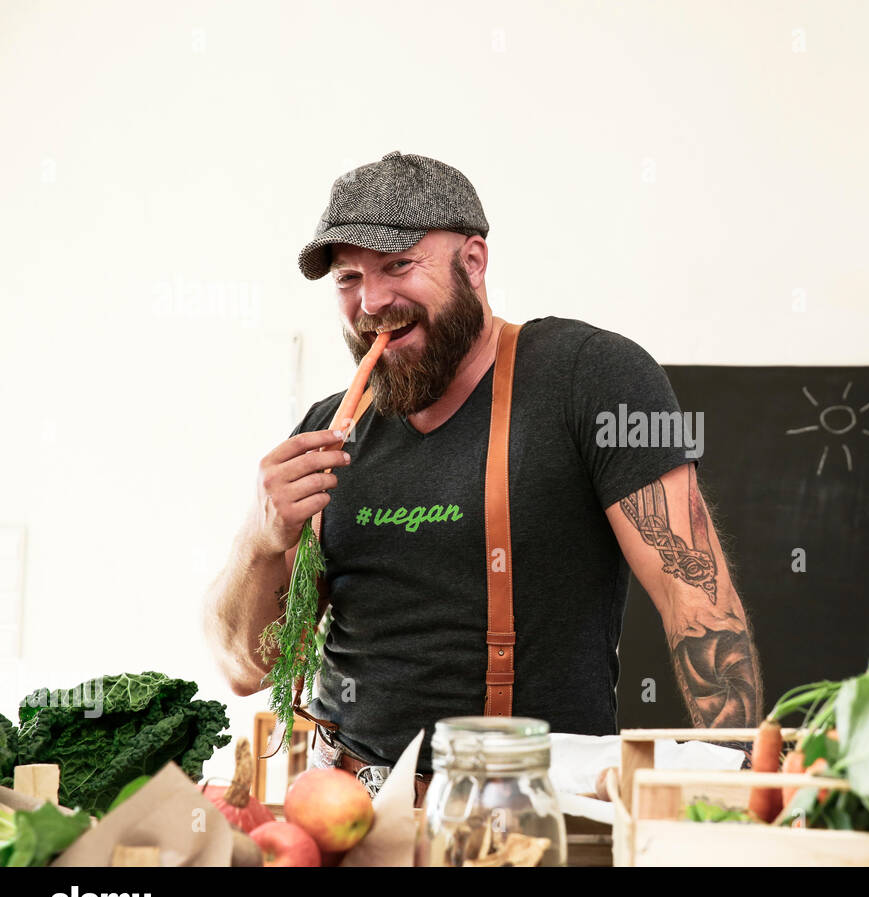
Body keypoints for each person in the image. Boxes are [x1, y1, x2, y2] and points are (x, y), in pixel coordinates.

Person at [202, 151, 760, 792]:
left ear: (473, 262)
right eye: (349, 278)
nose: (373, 301)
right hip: (341, 808)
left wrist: (732, 777)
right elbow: (247, 670)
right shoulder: (328, 430)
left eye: (398, 265)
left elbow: (697, 597)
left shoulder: (590, 378)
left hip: (527, 818)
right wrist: (261, 538)